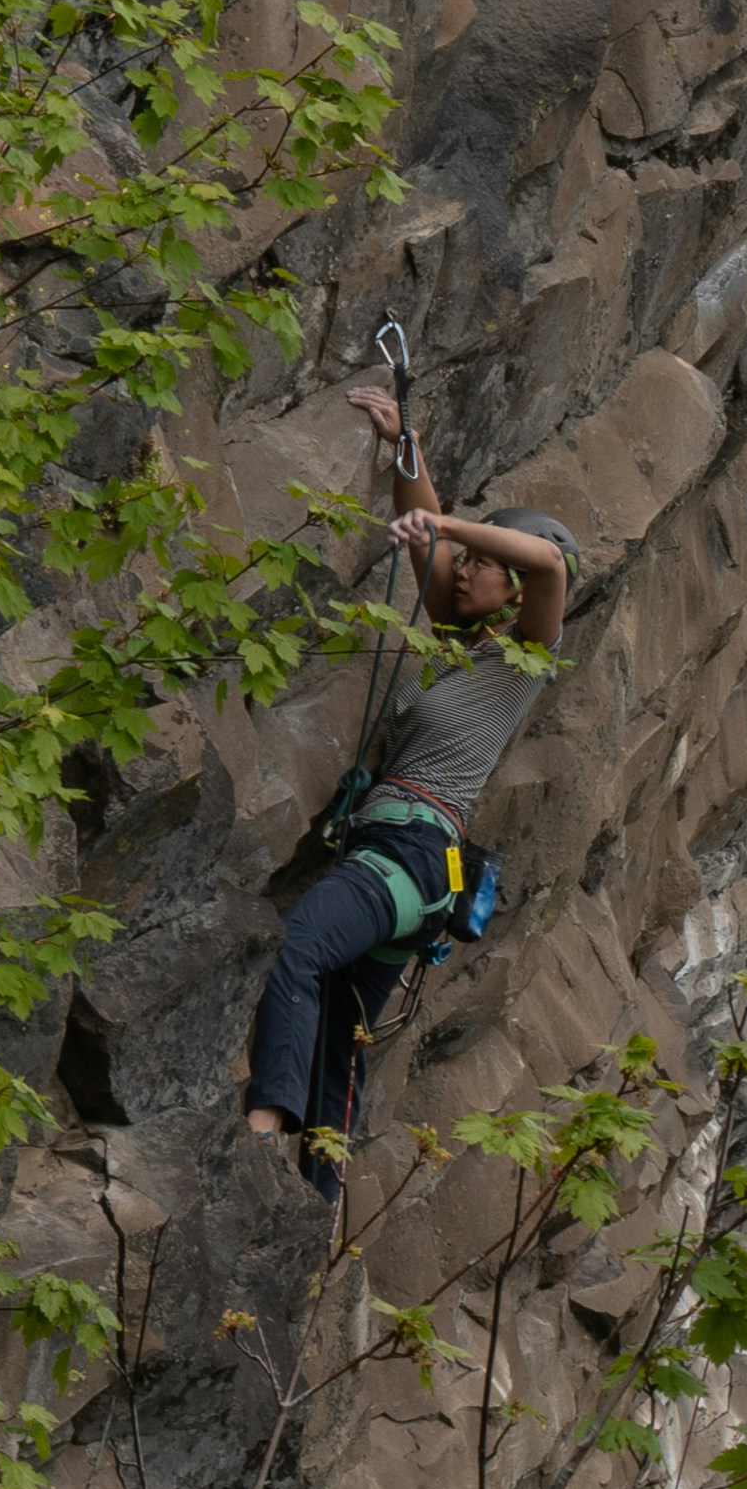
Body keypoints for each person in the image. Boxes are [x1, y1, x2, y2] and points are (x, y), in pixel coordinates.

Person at [243, 380, 576, 1190]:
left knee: (297, 949)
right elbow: (428, 540)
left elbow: (551, 562)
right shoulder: (462, 638)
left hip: (410, 853)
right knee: (336, 1051)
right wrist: (405, 443)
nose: (464, 572)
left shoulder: (521, 664)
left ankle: (259, 1132)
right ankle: (312, 1213)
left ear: (514, 593)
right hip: (407, 866)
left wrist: (455, 525)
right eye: (466, 563)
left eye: (483, 567)